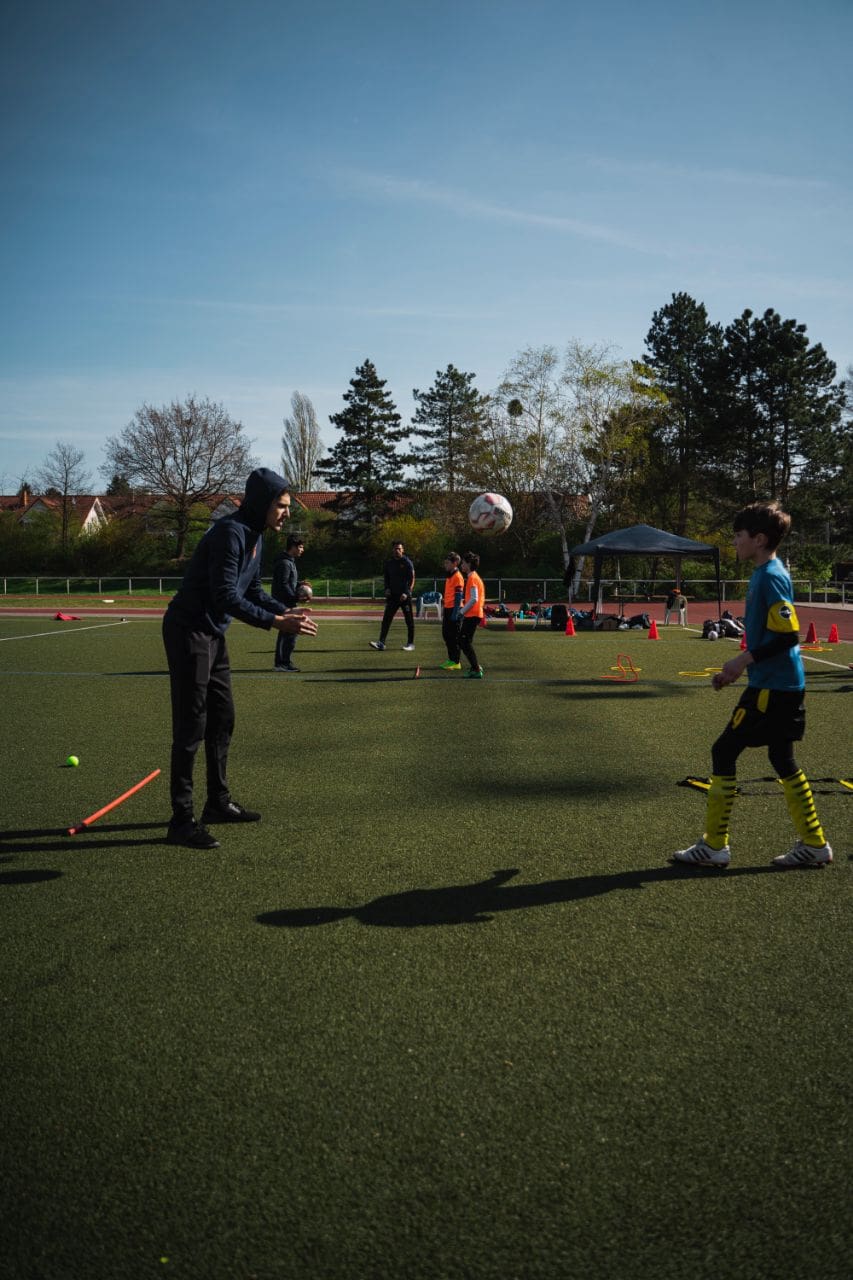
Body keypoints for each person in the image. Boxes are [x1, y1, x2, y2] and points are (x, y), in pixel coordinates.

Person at [162, 468, 317, 849]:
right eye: (281, 506)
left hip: (212, 632)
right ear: (262, 503)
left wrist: (285, 609)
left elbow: (252, 590)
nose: (286, 513)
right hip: (188, 630)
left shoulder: (255, 535)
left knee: (223, 718)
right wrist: (276, 622)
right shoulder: (230, 533)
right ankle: (181, 820)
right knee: (191, 726)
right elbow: (225, 596)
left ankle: (217, 803)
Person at [673, 501, 833, 870]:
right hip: (780, 684)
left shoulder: (770, 576)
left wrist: (740, 661)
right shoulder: (767, 572)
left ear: (758, 539)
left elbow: (788, 636)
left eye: (738, 535)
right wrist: (738, 669)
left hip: (773, 689)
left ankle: (715, 846)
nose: (734, 541)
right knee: (781, 758)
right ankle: (814, 843)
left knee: (723, 751)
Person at [370, 540, 416, 651]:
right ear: (392, 550)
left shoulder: (407, 563)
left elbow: (412, 579)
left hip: (404, 597)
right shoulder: (389, 563)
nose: (397, 550)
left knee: (409, 621)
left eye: (399, 549)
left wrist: (406, 593)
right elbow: (386, 578)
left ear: (403, 550)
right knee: (386, 619)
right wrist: (387, 589)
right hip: (393, 597)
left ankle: (410, 644)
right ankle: (381, 643)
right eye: (395, 548)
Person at [271, 534, 305, 671]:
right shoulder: (285, 563)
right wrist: (296, 597)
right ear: (293, 547)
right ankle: (282, 663)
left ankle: (282, 663)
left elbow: (289, 581)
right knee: (290, 631)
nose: (302, 550)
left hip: (287, 601)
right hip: (284, 603)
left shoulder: (289, 561)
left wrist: (300, 584)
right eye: (300, 547)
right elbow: (283, 584)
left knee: (287, 631)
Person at [458, 551, 486, 678]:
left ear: (469, 564)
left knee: (464, 642)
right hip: (472, 614)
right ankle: (475, 667)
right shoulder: (472, 577)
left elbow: (474, 598)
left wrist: (461, 612)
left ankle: (476, 669)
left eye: (463, 563)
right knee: (464, 641)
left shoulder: (473, 578)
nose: (461, 565)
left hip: (473, 614)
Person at [439, 551, 464, 670]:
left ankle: (456, 662)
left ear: (455, 563)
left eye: (448, 563)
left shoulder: (458, 576)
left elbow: (458, 596)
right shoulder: (449, 575)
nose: (445, 565)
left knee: (454, 637)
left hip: (455, 609)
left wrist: (455, 612)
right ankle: (451, 659)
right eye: (445, 562)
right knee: (446, 635)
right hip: (448, 609)